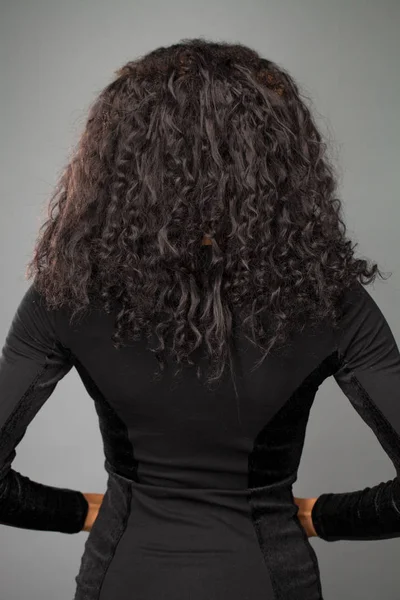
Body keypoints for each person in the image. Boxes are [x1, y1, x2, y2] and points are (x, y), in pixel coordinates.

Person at [0, 37, 399, 600]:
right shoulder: (333, 301)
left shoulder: (65, 295)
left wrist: (77, 511)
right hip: (269, 577)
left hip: (123, 575)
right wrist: (325, 518)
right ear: (279, 163)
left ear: (120, 161)